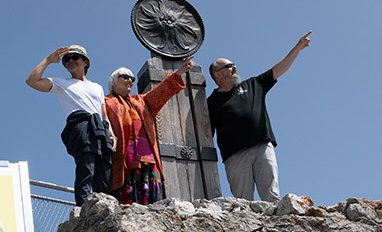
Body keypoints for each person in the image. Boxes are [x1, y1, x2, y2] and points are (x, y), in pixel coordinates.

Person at [208, 32, 311, 201]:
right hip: (235, 156)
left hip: (262, 147)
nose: (235, 67)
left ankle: (277, 227)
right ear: (218, 74)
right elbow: (206, 135)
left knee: (271, 197)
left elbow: (278, 69)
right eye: (229, 66)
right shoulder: (210, 103)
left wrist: (297, 48)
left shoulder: (254, 84)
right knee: (242, 203)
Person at [26, 45, 115, 206]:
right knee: (86, 168)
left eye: (75, 57)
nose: (70, 61)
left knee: (103, 172)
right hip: (80, 126)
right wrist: (48, 60)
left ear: (85, 62)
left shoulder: (97, 87)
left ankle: (103, 210)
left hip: (100, 129)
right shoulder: (62, 83)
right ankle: (83, 209)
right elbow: (31, 81)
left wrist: (111, 132)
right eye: (67, 59)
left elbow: (104, 114)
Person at [105, 58, 193, 205]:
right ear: (113, 82)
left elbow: (162, 91)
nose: (130, 81)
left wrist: (179, 72)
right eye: (125, 77)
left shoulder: (142, 101)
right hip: (124, 159)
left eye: (132, 78)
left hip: (149, 158)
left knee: (153, 199)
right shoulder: (105, 102)